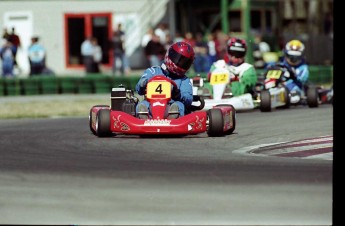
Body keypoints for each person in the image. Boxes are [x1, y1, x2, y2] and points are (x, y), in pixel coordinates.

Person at [135, 41, 195, 119]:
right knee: (142, 105)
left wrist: (177, 93)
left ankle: (173, 118)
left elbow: (188, 99)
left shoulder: (184, 80)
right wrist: (143, 83)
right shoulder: (153, 71)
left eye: (185, 62)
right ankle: (144, 118)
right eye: (179, 59)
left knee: (179, 105)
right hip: (151, 105)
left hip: (171, 106)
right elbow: (139, 89)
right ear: (170, 55)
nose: (181, 64)